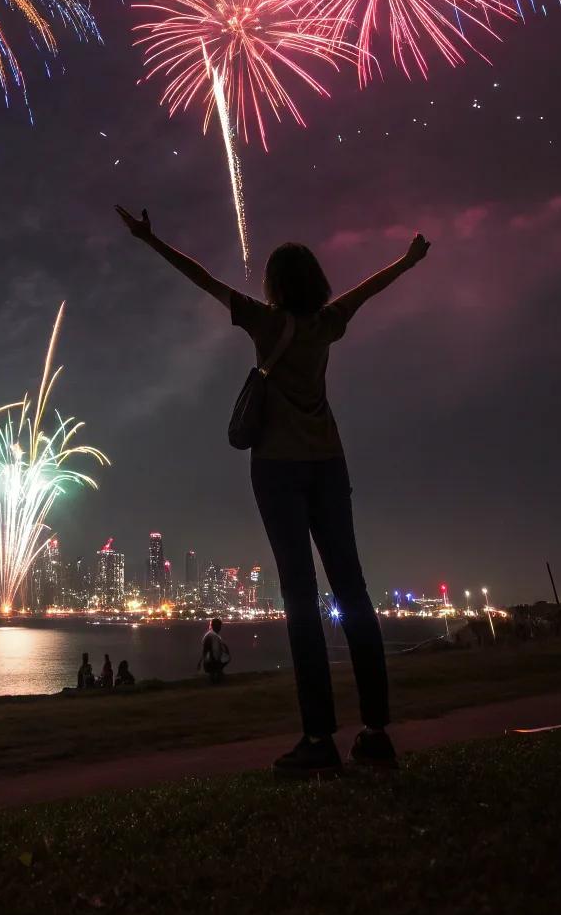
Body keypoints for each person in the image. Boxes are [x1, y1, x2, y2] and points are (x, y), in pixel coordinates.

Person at [116, 203, 431, 779]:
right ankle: (377, 731)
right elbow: (369, 288)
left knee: (300, 599)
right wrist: (408, 261)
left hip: (279, 470)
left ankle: (317, 737)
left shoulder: (266, 324)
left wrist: (149, 240)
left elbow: (204, 279)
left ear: (277, 286)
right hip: (330, 465)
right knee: (353, 594)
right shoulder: (328, 324)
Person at [200, 617, 230, 683]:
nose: (220, 628)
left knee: (215, 673)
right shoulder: (213, 636)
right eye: (218, 626)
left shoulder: (211, 635)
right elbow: (213, 650)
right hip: (212, 661)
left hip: (210, 660)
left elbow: (206, 650)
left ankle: (215, 678)